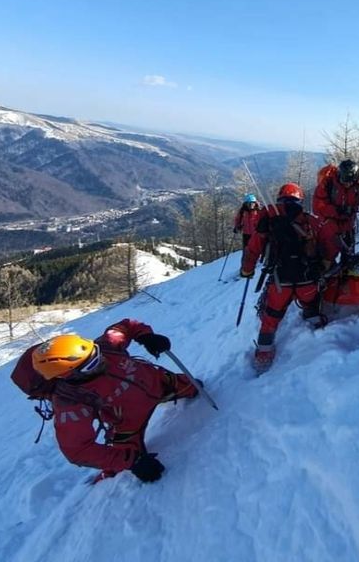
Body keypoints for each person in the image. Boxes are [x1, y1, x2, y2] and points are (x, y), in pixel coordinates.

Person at [30, 319, 199, 482]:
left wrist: (145, 336)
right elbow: (77, 450)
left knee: (195, 387)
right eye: (91, 364)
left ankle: (187, 388)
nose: (102, 360)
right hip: (129, 423)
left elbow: (126, 326)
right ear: (68, 375)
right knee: (124, 465)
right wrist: (133, 461)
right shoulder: (71, 401)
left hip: (158, 383)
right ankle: (107, 482)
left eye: (95, 353)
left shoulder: (106, 347)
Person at [240, 183, 339, 373]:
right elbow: (330, 242)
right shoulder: (310, 220)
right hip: (307, 280)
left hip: (280, 280)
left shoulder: (268, 219)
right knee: (311, 305)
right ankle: (318, 336)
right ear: (299, 199)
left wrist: (247, 270)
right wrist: (326, 262)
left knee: (271, 318)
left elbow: (253, 248)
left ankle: (263, 355)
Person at [313, 159, 359, 257]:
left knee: (349, 254)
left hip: (348, 225)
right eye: (344, 181)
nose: (347, 184)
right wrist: (337, 210)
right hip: (330, 226)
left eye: (350, 182)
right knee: (328, 255)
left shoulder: (357, 186)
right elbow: (318, 207)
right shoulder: (327, 185)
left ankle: (347, 269)